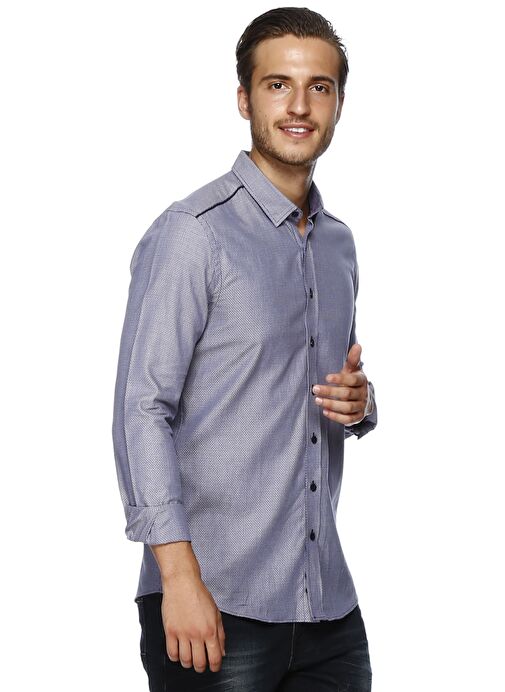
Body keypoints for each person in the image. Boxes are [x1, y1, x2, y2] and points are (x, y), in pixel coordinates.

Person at [112, 6, 378, 691]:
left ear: (339, 102)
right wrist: (178, 579)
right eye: (277, 84)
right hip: (214, 599)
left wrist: (360, 403)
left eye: (319, 86)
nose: (299, 105)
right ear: (244, 98)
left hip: (326, 603)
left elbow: (312, 382)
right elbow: (141, 409)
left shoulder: (338, 244)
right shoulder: (192, 233)